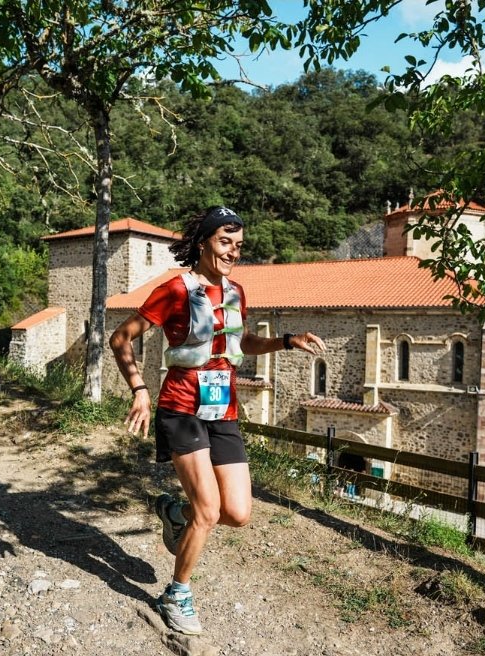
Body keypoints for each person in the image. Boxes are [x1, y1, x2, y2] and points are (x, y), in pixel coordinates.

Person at [109, 206, 326, 635]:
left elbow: (240, 341)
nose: (233, 252)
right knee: (208, 511)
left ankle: (174, 513)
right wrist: (139, 390)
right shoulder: (175, 289)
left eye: (239, 246)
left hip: (222, 410)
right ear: (205, 241)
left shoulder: (236, 292)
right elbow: (121, 338)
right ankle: (177, 593)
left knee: (238, 512)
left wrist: (286, 341)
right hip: (181, 408)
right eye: (225, 242)